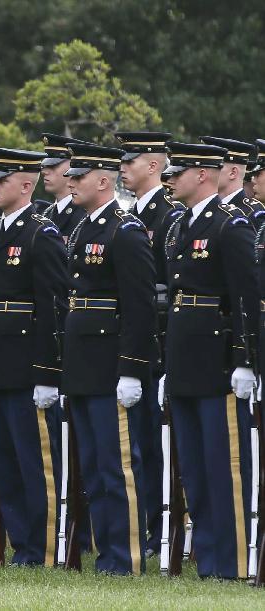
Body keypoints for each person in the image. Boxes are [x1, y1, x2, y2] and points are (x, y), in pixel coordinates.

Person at [161, 141, 257, 580]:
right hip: (185, 362)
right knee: (195, 471)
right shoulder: (181, 225)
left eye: (177, 172)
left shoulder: (229, 225)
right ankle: (208, 559)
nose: (170, 180)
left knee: (225, 467)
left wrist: (245, 359)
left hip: (218, 364)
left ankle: (233, 560)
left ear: (202, 174)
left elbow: (245, 298)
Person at [62, 142, 156, 575]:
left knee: (117, 466)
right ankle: (106, 551)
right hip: (83, 365)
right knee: (93, 468)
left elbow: (140, 307)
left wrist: (133, 369)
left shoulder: (126, 229)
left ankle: (125, 555)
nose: (70, 183)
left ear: (102, 181)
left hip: (110, 365)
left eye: (78, 177)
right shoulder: (84, 228)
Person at [0, 147, 66, 566]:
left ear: (26, 185)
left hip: (28, 366)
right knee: (6, 461)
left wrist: (48, 372)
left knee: (35, 462)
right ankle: (20, 544)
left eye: (1, 181)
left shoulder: (40, 233)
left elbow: (52, 305)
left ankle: (43, 547)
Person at [114, 130, 181, 556]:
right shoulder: (130, 215)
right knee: (134, 442)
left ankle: (159, 528)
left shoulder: (168, 216)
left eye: (130, 161)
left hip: (155, 343)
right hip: (130, 339)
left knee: (153, 445)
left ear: (153, 165)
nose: (122, 168)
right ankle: (144, 525)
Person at [199, 137, 265, 229]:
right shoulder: (201, 208)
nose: (203, 174)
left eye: (214, 167)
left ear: (233, 173)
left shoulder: (253, 214)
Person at [39, 133, 88, 241]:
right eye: (45, 166)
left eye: (53, 166)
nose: (44, 171)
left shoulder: (84, 215)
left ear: (73, 166)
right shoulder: (46, 213)